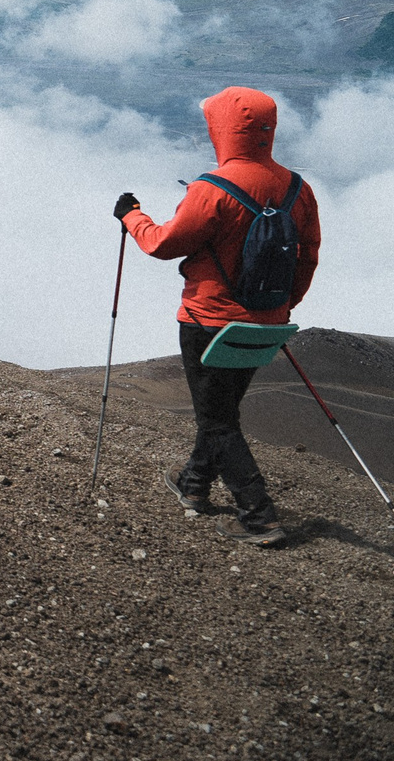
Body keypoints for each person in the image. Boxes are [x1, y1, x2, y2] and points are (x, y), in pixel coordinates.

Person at [114, 86, 322, 546]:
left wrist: (131, 216)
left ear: (223, 129)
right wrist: (281, 307)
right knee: (222, 410)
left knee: (217, 421)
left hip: (208, 321)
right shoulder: (297, 189)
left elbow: (163, 245)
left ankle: (258, 517)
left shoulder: (211, 189)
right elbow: (307, 257)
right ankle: (193, 486)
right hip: (267, 323)